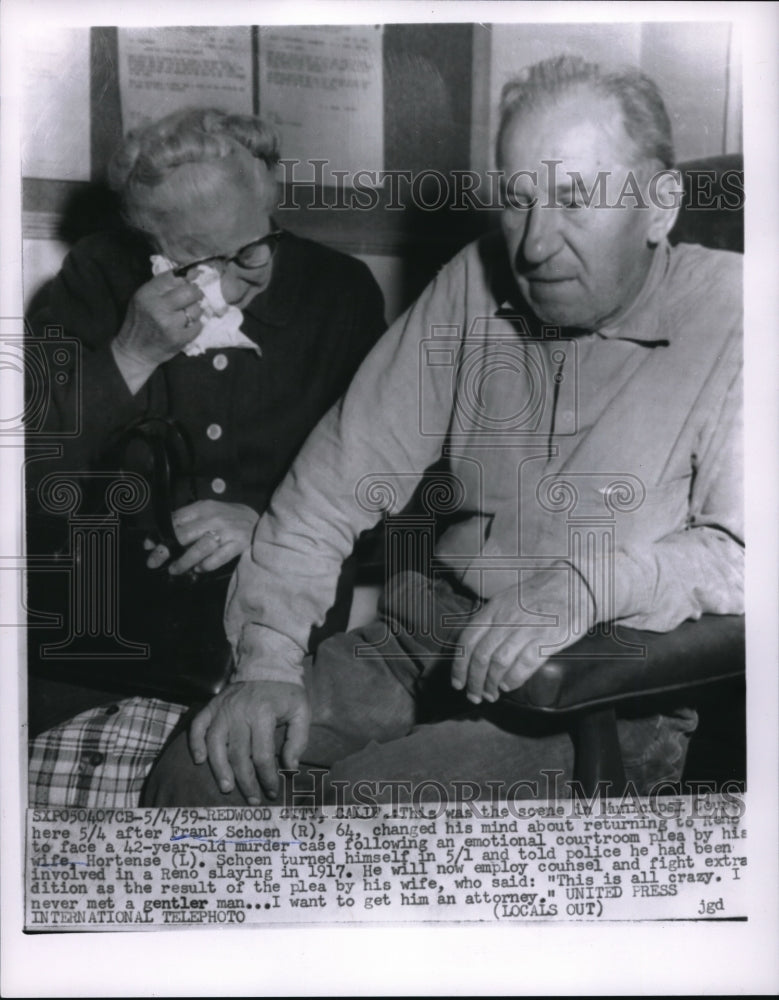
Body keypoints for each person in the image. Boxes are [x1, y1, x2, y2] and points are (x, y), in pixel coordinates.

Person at [144, 56, 743, 807]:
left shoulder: (740, 311)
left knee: (358, 814)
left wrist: (591, 585)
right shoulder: (473, 278)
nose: (531, 245)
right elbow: (332, 486)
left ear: (659, 206)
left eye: (575, 199)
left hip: (602, 688)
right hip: (424, 642)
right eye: (517, 201)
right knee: (198, 776)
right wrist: (265, 663)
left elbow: (745, 555)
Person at [26, 108, 386, 804]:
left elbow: (399, 495)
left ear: (271, 198)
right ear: (147, 240)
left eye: (253, 247)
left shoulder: (339, 294)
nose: (239, 281)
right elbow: (26, 474)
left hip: (266, 664)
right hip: (92, 667)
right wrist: (129, 355)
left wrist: (270, 528)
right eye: (197, 258)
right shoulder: (96, 278)